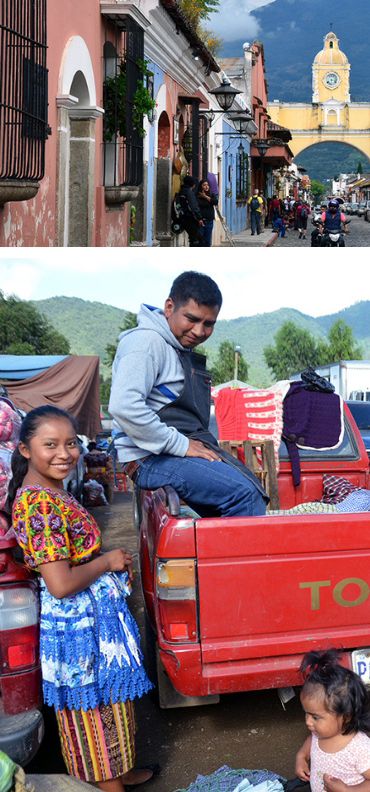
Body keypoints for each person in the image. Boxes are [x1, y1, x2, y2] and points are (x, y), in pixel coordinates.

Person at [5, 406, 156, 792]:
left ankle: (118, 773)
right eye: (50, 445)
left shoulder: (54, 492)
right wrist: (107, 561)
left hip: (93, 622)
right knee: (92, 714)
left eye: (71, 443)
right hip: (78, 630)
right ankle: (109, 783)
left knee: (112, 704)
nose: (64, 453)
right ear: (25, 450)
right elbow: (59, 583)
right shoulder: (39, 504)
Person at [109, 271, 268, 519]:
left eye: (208, 324)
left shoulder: (177, 346)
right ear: (170, 307)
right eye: (191, 319)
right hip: (148, 459)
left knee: (246, 489)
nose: (198, 331)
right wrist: (181, 445)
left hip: (166, 454)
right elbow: (124, 406)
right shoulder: (146, 343)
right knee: (245, 496)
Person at [293, 649, 370, 792]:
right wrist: (301, 757)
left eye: (315, 717)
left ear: (346, 717)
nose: (308, 721)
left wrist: (346, 790)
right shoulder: (318, 734)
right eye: (306, 713)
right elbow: (310, 744)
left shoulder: (360, 748)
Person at [176, 176, 204, 246]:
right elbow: (193, 206)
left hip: (184, 218)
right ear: (192, 184)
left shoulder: (182, 191)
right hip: (190, 218)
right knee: (197, 240)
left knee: (194, 238)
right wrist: (199, 218)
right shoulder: (189, 192)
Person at [196, 179, 218, 248]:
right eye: (204, 185)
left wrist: (205, 196)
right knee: (200, 239)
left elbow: (215, 202)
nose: (206, 187)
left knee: (207, 239)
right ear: (201, 186)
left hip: (209, 221)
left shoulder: (211, 195)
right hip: (200, 221)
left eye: (207, 185)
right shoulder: (197, 196)